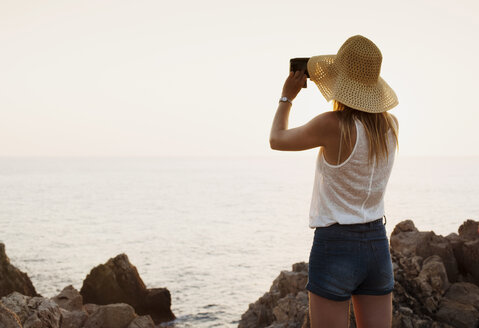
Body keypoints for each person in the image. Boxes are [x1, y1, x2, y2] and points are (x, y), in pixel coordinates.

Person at [269, 35, 399, 328]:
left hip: (336, 245)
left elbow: (276, 139)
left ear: (341, 82)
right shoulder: (391, 126)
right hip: (377, 244)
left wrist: (287, 96)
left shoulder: (332, 125)